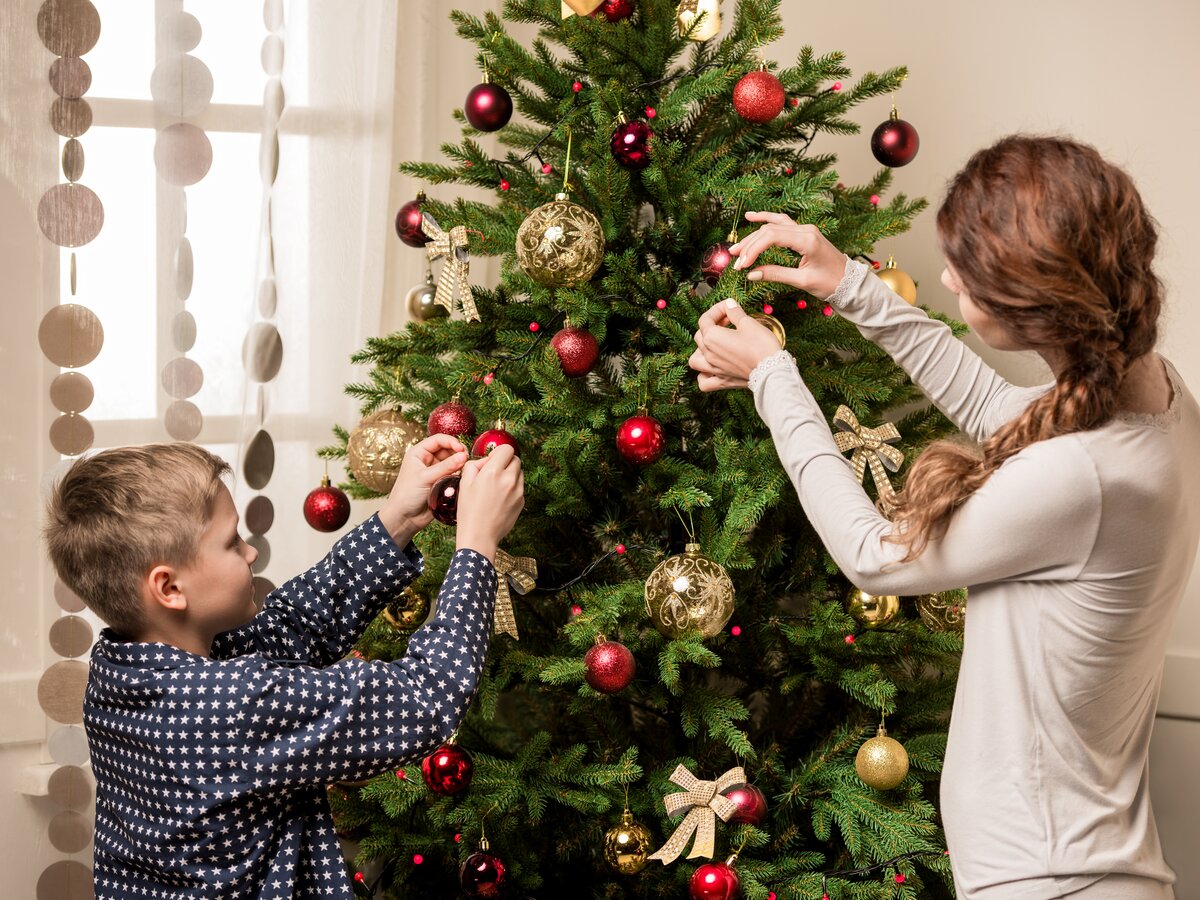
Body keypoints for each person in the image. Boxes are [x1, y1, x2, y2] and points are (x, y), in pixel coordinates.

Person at [688, 135, 1197, 899]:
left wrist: (773, 379)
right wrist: (851, 285)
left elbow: (874, 553)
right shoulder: (1156, 391)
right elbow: (1004, 413)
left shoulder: (1084, 477)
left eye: (966, 276)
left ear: (1034, 306)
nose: (947, 275)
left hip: (1050, 881)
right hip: (1076, 870)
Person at [43, 435, 524, 899]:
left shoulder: (120, 670)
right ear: (169, 588)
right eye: (233, 543)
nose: (251, 552)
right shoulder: (229, 707)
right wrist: (477, 547)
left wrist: (397, 519)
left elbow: (293, 628)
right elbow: (425, 697)